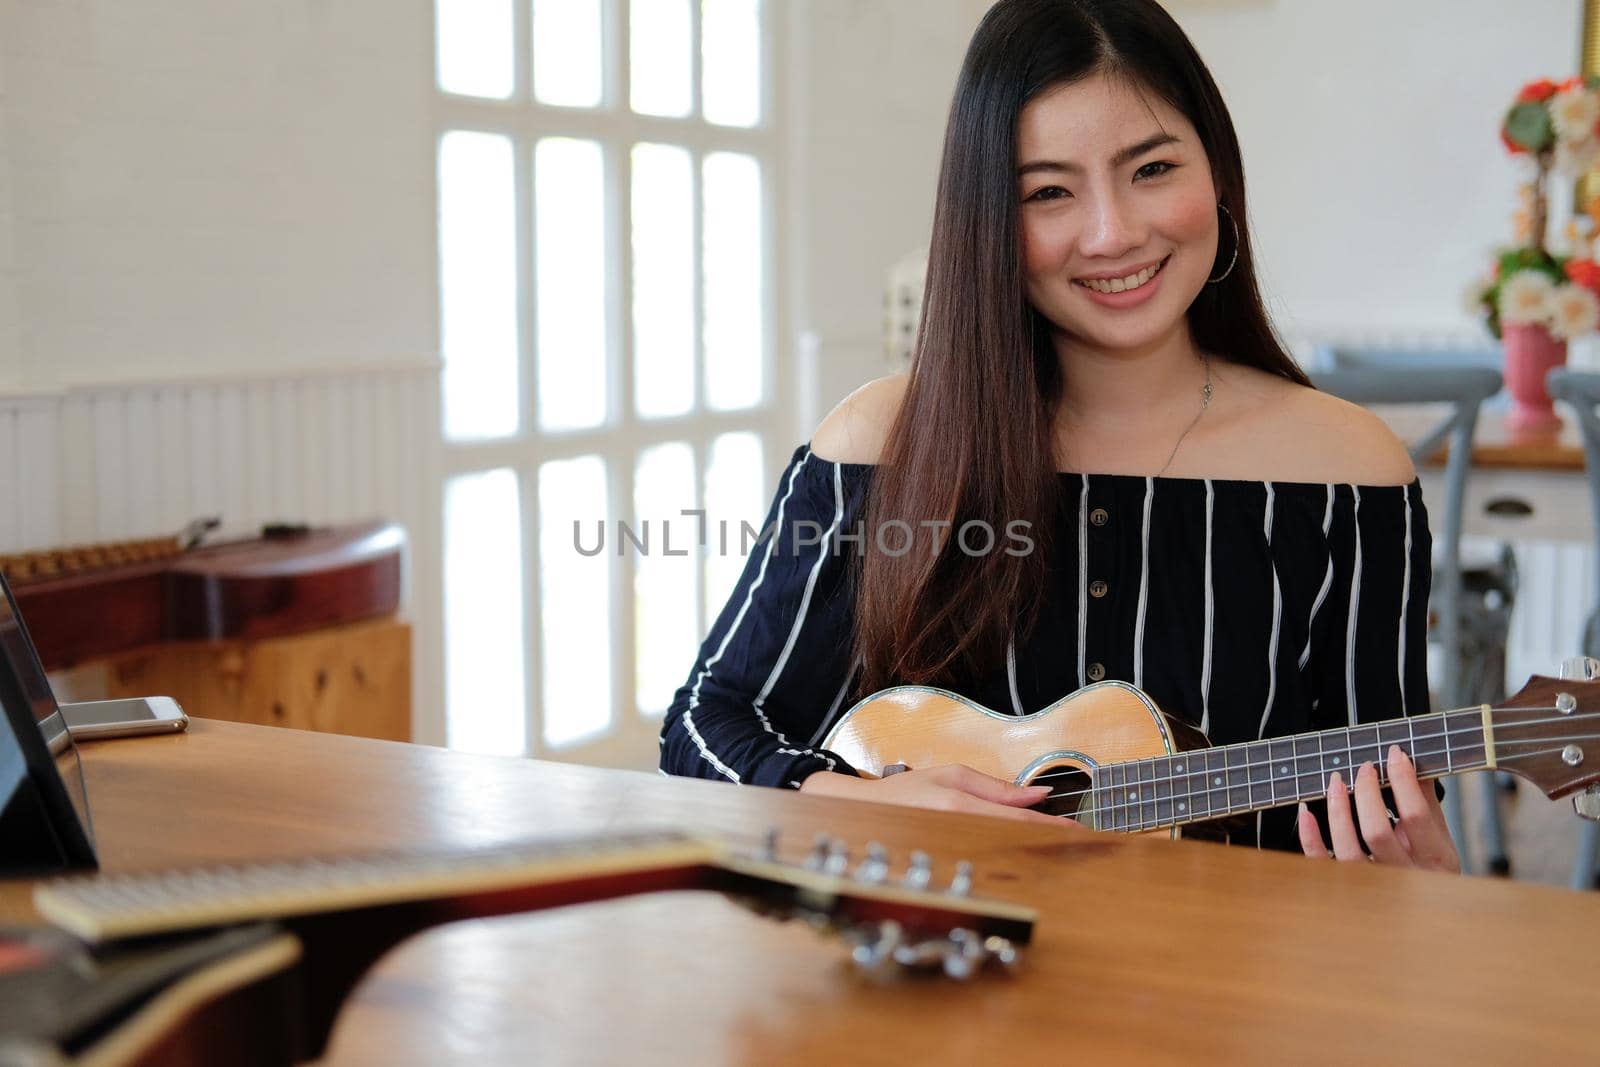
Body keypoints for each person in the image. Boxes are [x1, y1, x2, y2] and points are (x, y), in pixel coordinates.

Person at [659, 0, 1458, 873]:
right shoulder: (876, 444)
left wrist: (1415, 877)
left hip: (1228, 990)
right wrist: (867, 796)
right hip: (941, 981)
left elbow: (1384, 808)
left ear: (1219, 173)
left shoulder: (1349, 473)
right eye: (1047, 191)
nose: (1112, 232)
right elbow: (706, 723)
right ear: (988, 222)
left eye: (1151, 168)